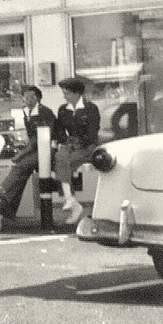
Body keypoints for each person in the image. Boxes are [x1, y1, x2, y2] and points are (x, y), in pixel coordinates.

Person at [0, 86, 56, 232]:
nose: (28, 100)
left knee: (19, 167)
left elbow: (39, 139)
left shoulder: (45, 112)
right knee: (19, 178)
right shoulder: (26, 112)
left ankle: (0, 191)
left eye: (32, 97)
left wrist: (20, 155)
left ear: (38, 98)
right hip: (37, 150)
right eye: (25, 97)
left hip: (48, 150)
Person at [52, 77, 100, 225]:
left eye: (67, 93)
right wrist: (64, 140)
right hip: (71, 144)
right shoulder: (63, 110)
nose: (64, 96)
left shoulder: (91, 108)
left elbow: (92, 133)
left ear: (77, 93)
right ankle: (72, 201)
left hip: (88, 146)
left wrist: (79, 142)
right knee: (60, 158)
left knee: (63, 163)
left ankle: (72, 202)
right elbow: (58, 129)